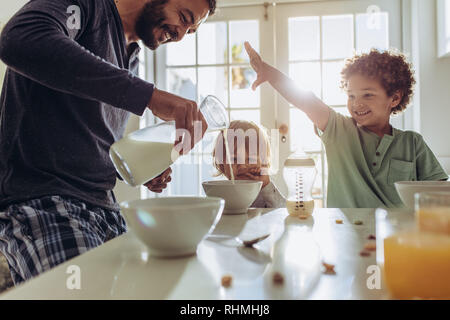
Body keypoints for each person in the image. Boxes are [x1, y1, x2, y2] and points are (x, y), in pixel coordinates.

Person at [0, 0, 216, 285]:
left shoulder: (131, 58)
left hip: (105, 210)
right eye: (184, 17)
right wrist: (149, 96)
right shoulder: (87, 9)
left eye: (190, 32)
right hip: (45, 203)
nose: (179, 34)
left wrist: (141, 168)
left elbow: (90, 141)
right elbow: (20, 38)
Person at [244, 42, 448, 208]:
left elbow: (440, 193)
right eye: (351, 95)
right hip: (343, 233)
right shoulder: (339, 131)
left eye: (367, 95)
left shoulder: (412, 143)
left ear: (394, 98)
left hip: (397, 237)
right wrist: (269, 74)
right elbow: (305, 100)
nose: (357, 103)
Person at [212, 120, 286, 208]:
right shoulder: (218, 193)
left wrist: (266, 186)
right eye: (234, 159)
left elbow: (282, 212)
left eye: (250, 159)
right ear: (222, 164)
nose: (242, 166)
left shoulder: (265, 193)